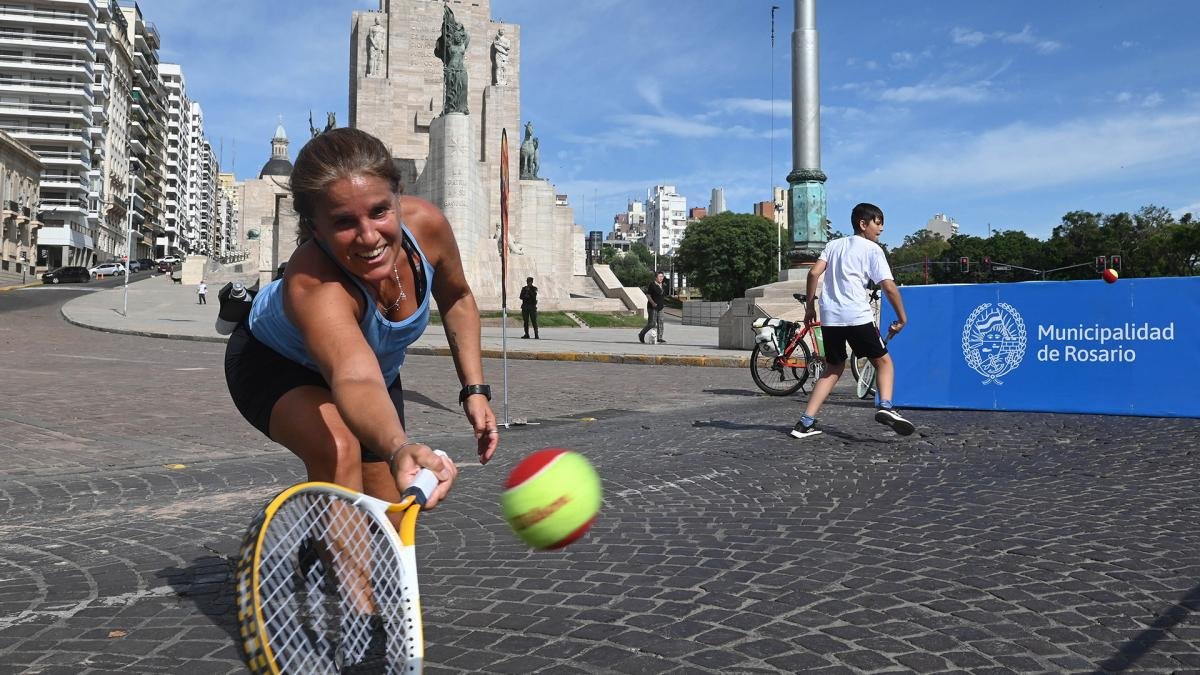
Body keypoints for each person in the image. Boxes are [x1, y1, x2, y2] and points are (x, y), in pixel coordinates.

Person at [224, 127, 499, 514]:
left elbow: (456, 297)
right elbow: (353, 376)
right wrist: (400, 446)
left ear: (398, 197)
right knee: (338, 448)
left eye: (379, 211)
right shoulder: (313, 279)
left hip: (371, 371)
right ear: (315, 228)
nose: (369, 237)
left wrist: (474, 389)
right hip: (274, 362)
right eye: (343, 222)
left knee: (384, 511)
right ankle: (336, 560)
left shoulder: (429, 227)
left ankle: (317, 541)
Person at [791, 203, 914, 439]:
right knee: (884, 363)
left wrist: (809, 308)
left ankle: (805, 422)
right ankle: (886, 407)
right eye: (878, 223)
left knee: (833, 368)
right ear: (863, 224)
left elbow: (813, 273)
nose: (881, 229)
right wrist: (902, 317)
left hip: (830, 317)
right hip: (857, 315)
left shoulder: (833, 245)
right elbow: (888, 286)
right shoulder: (872, 249)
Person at [638, 271, 666, 344]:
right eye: (659, 276)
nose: (661, 278)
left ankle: (660, 338)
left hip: (661, 307)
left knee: (661, 322)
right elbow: (648, 295)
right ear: (656, 277)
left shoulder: (663, 285)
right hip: (652, 307)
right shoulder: (652, 285)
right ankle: (641, 334)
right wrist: (653, 303)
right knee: (652, 323)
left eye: (662, 277)